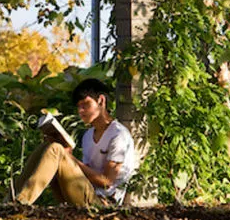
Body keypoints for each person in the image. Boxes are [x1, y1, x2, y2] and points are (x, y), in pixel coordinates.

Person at [11, 78, 136, 206]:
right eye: (78, 107)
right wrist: (67, 159)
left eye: (85, 105)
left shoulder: (118, 135)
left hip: (102, 203)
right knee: (48, 146)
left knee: (56, 150)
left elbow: (107, 182)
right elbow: (84, 173)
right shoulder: (88, 136)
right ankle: (11, 199)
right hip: (81, 191)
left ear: (101, 101)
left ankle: (21, 202)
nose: (80, 111)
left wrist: (70, 159)